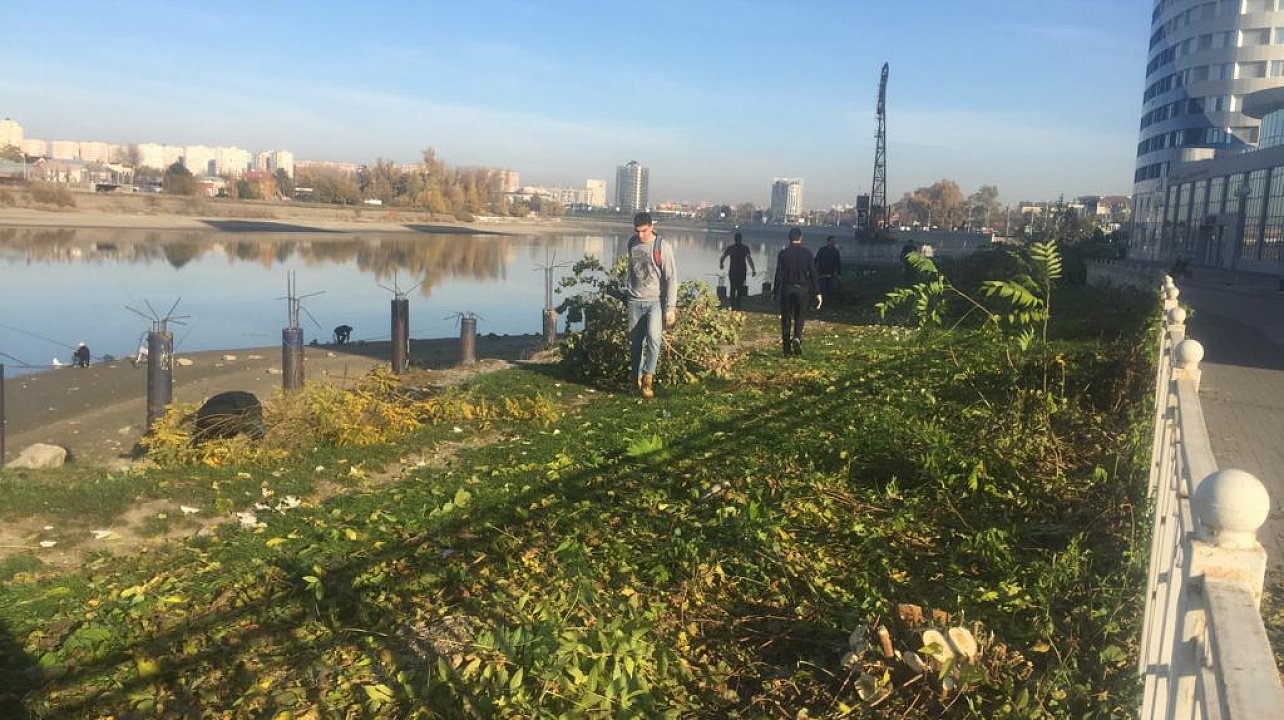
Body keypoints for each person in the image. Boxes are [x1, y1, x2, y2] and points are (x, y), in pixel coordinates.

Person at [626, 212, 677, 398]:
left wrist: (670, 308)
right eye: (637, 231)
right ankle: (635, 381)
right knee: (635, 344)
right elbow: (631, 271)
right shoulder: (632, 243)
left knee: (654, 340)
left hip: (654, 302)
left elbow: (671, 278)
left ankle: (648, 377)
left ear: (651, 227)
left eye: (644, 231)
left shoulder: (662, 247)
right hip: (634, 301)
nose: (640, 235)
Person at [773, 228, 820, 357]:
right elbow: (813, 273)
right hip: (802, 289)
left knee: (786, 318)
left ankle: (786, 349)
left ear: (789, 238)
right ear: (800, 238)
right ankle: (797, 337)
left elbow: (778, 274)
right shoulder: (807, 253)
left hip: (787, 288)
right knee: (800, 315)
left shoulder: (783, 254)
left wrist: (775, 291)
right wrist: (818, 291)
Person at [719, 232, 756, 309]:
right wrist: (753, 269)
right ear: (741, 239)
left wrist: (721, 264)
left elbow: (723, 257)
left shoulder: (730, 248)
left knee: (732, 288)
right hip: (742, 271)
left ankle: (732, 305)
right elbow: (749, 259)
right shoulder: (745, 248)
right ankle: (738, 305)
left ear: (734, 239)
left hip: (733, 271)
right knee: (740, 289)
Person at [814, 235, 842, 309]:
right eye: (832, 241)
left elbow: (838, 263)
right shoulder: (822, 250)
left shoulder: (836, 252)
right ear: (828, 241)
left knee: (830, 289)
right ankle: (822, 303)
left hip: (831, 273)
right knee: (823, 289)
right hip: (822, 273)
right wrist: (813, 269)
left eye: (834, 241)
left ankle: (828, 303)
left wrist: (839, 274)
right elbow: (816, 259)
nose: (833, 242)